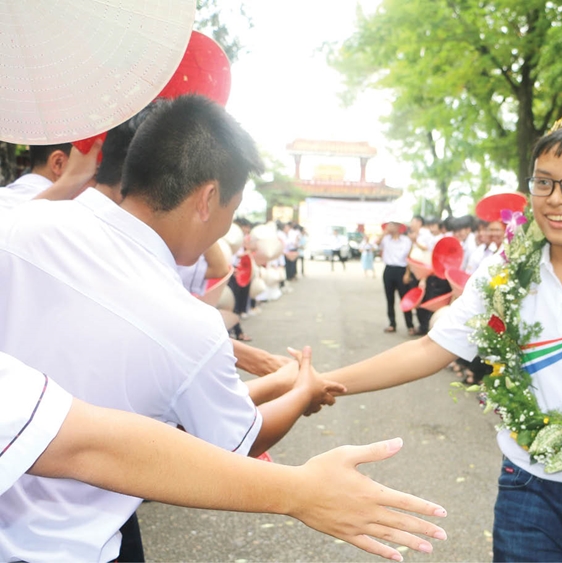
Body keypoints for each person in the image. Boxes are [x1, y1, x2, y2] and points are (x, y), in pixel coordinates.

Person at [323, 104, 562, 562]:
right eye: (543, 182)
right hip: (527, 487)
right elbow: (432, 348)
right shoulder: (504, 269)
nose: (556, 197)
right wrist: (327, 383)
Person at [0, 95, 343, 562]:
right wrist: (302, 391)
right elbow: (237, 444)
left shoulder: (23, 221)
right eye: (231, 209)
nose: (224, 229)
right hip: (77, 543)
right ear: (207, 198)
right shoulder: (191, 326)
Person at [1, 349, 447, 562]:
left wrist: (293, 383)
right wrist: (300, 490)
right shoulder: (183, 320)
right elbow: (89, 443)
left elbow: (80, 436)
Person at [379, 221, 415, 334]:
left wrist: (407, 273)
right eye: (390, 225)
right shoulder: (385, 239)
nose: (391, 227)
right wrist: (385, 232)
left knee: (405, 298)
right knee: (390, 299)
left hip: (402, 270)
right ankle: (392, 323)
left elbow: (409, 257)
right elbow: (376, 243)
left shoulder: (406, 241)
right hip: (389, 270)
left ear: (399, 227)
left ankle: (410, 325)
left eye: (393, 225)